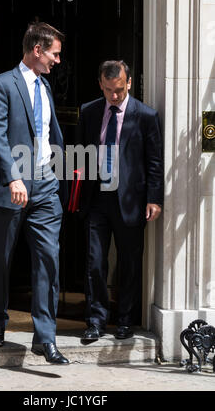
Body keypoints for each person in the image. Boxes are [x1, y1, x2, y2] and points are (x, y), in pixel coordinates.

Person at [0, 22, 69, 364]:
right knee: (1, 256)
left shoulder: (45, 86)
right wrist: (13, 177)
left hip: (45, 183)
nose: (58, 60)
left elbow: (47, 135)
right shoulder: (1, 84)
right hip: (10, 184)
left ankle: (45, 338)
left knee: (48, 259)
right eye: (54, 54)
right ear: (37, 50)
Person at [78, 60, 164, 341]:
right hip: (97, 199)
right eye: (107, 90)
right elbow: (81, 155)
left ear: (128, 83)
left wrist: (154, 198)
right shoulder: (89, 112)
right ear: (100, 84)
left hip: (130, 199)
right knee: (94, 262)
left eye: (118, 90)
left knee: (128, 262)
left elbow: (154, 162)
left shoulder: (146, 116)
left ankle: (125, 320)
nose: (113, 96)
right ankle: (96, 320)